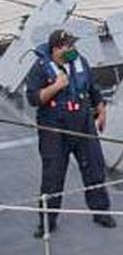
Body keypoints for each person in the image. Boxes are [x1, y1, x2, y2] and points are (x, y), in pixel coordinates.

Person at [24, 28, 114, 236]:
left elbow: (92, 88)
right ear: (56, 49)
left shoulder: (80, 61)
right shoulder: (39, 68)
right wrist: (56, 86)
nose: (73, 49)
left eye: (73, 45)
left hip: (82, 122)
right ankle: (47, 221)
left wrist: (101, 109)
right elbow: (33, 98)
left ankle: (101, 212)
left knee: (94, 168)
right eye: (68, 46)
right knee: (53, 175)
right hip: (54, 127)